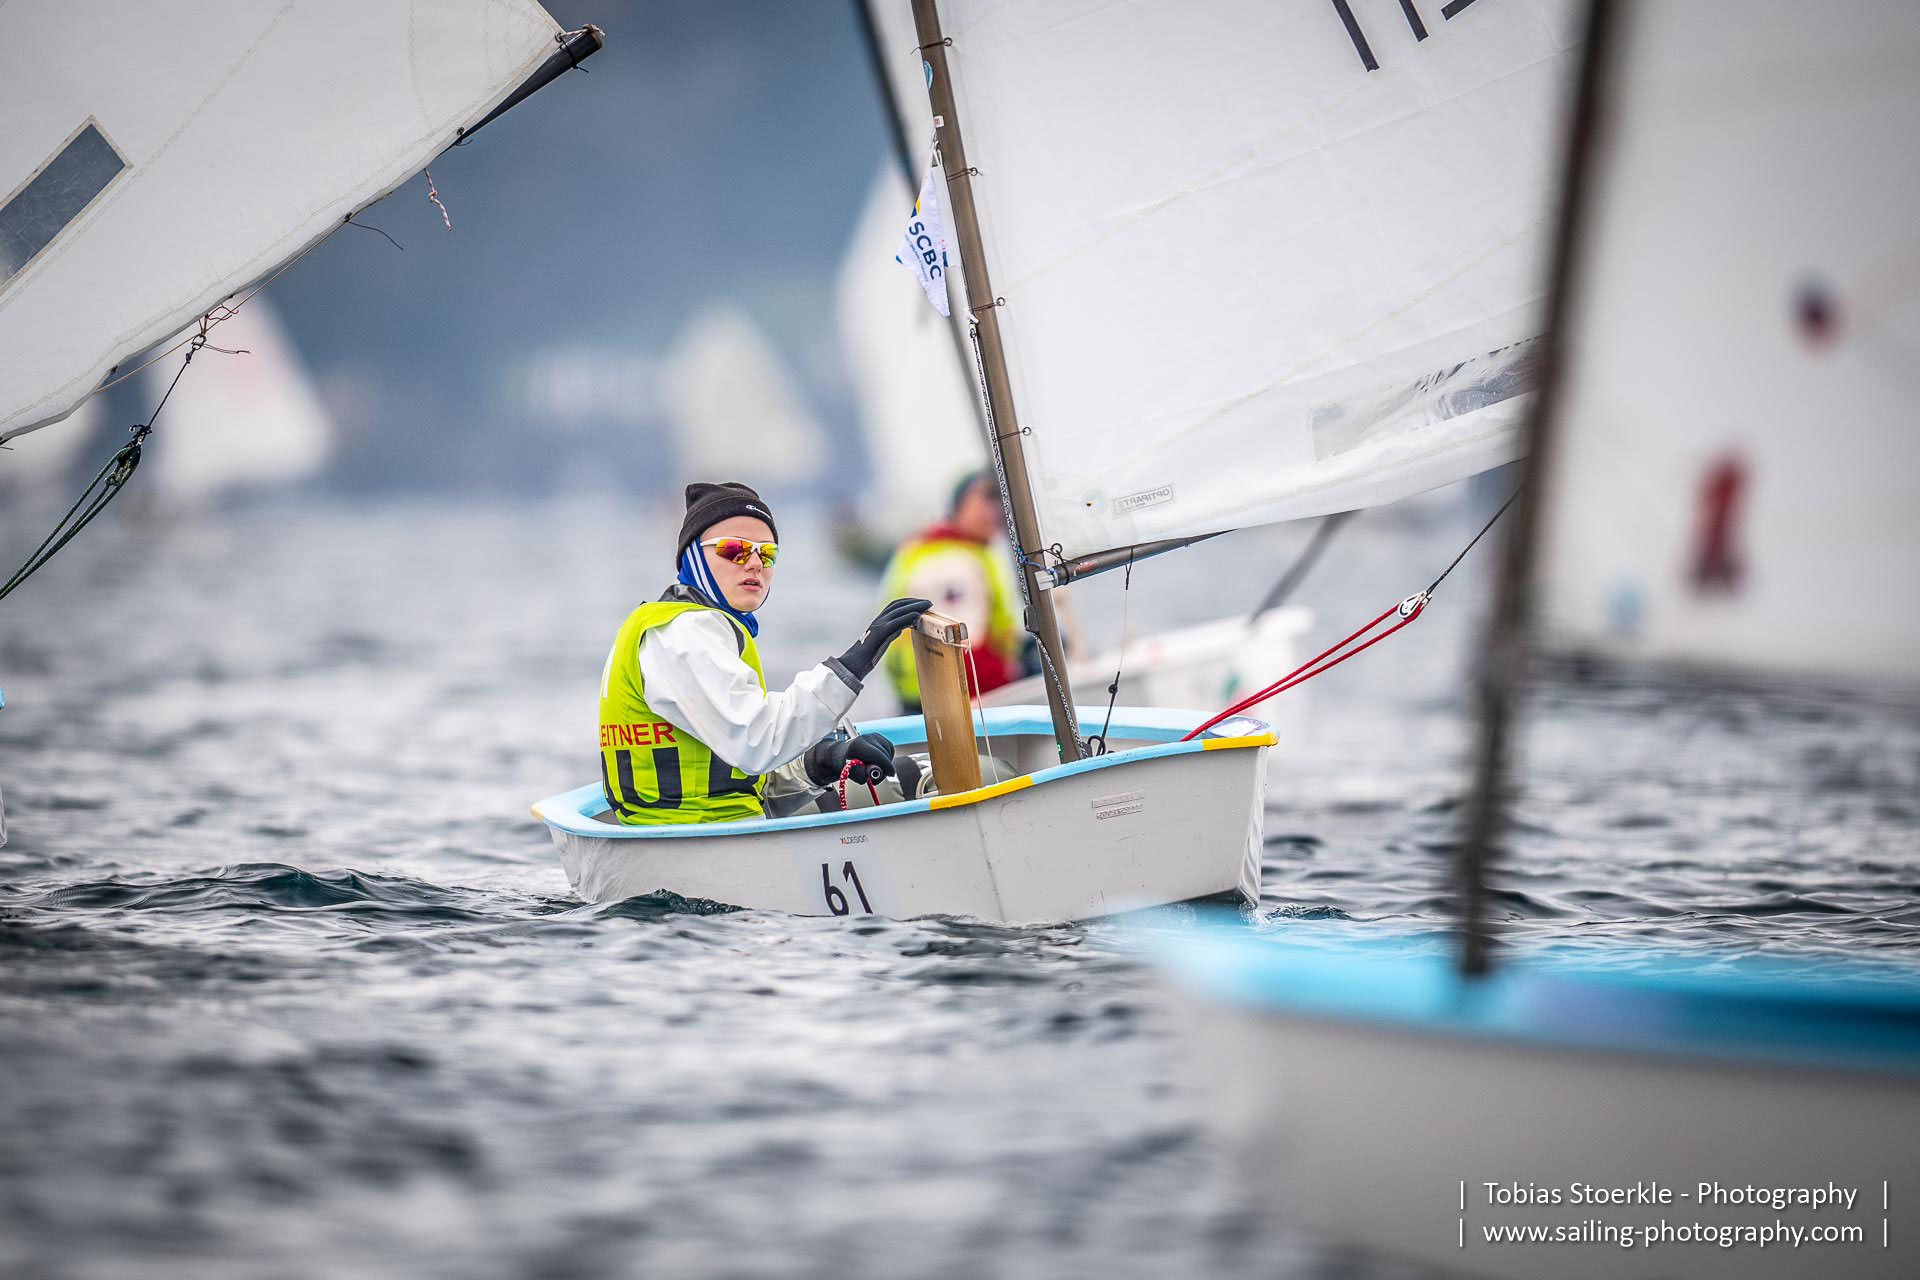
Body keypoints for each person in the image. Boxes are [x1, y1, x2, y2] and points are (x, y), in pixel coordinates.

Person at [598, 481, 931, 824]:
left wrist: (825, 761)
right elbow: (755, 743)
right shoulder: (684, 632)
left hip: (720, 827)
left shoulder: (684, 624)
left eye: (767, 553)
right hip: (703, 838)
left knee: (907, 774)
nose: (755, 563)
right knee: (925, 780)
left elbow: (746, 769)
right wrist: (855, 662)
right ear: (693, 556)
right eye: (734, 549)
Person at [876, 469, 1025, 713]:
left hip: (920, 692)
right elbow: (960, 643)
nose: (995, 510)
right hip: (954, 695)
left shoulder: (927, 548)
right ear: (959, 505)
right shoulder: (953, 561)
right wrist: (1006, 674)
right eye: (986, 498)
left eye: (999, 500)